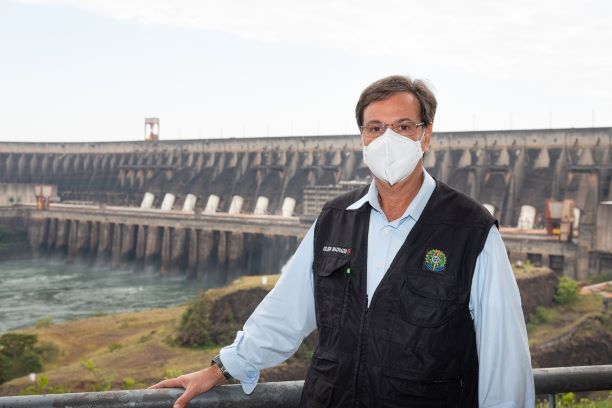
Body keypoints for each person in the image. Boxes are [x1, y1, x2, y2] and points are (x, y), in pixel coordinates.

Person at [150, 75, 535, 407]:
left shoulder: (471, 230)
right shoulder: (336, 219)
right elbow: (286, 311)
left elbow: (504, 360)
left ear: (426, 135)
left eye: (402, 127)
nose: (387, 139)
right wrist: (220, 368)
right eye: (375, 128)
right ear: (362, 139)